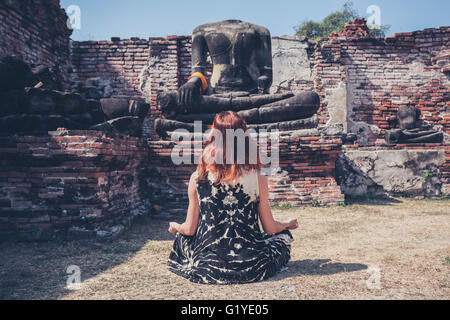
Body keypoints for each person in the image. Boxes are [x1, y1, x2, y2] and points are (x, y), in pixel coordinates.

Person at [167, 110, 299, 284]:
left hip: (209, 269)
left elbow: (190, 229)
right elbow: (270, 228)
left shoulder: (198, 178)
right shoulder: (258, 177)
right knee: (282, 237)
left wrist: (176, 227)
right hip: (252, 267)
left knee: (182, 237)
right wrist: (287, 224)